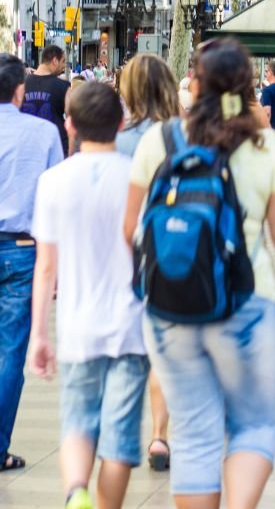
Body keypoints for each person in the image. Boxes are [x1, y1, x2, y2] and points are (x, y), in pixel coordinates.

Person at [123, 39, 275, 508]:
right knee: (252, 426)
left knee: (192, 432)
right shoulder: (264, 144)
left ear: (193, 81)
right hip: (247, 302)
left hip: (171, 306)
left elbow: (130, 229)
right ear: (245, 87)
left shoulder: (160, 140)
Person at [27, 82, 148, 509]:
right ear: (121, 122)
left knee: (77, 423)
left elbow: (46, 266)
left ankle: (76, 491)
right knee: (118, 442)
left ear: (70, 124)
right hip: (131, 328)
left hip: (78, 328)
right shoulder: (139, 178)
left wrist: (40, 334)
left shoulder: (53, 181)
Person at [113, 54, 179, 472]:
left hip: (125, 256)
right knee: (163, 352)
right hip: (172, 254)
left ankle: (117, 436)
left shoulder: (115, 139)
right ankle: (160, 435)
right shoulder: (181, 135)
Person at [0, 53, 64, 474]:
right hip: (23, 249)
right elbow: (56, 202)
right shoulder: (44, 134)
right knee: (9, 352)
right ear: (20, 91)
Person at [21, 44, 70, 156]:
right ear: (54, 61)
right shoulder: (63, 86)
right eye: (63, 61)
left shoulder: (21, 84)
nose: (64, 66)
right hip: (56, 147)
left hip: (28, 146)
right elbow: (72, 120)